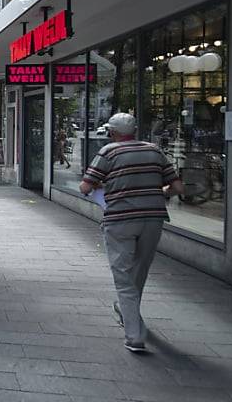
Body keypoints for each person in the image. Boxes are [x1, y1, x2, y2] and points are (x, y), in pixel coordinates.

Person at [79, 113, 184, 353]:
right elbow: (177, 187)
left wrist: (105, 186)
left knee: (123, 276)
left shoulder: (108, 152)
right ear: (134, 131)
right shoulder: (155, 151)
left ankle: (134, 335)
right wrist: (155, 194)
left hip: (120, 219)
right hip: (153, 218)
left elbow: (85, 186)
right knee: (139, 270)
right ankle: (127, 311)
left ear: (113, 133)